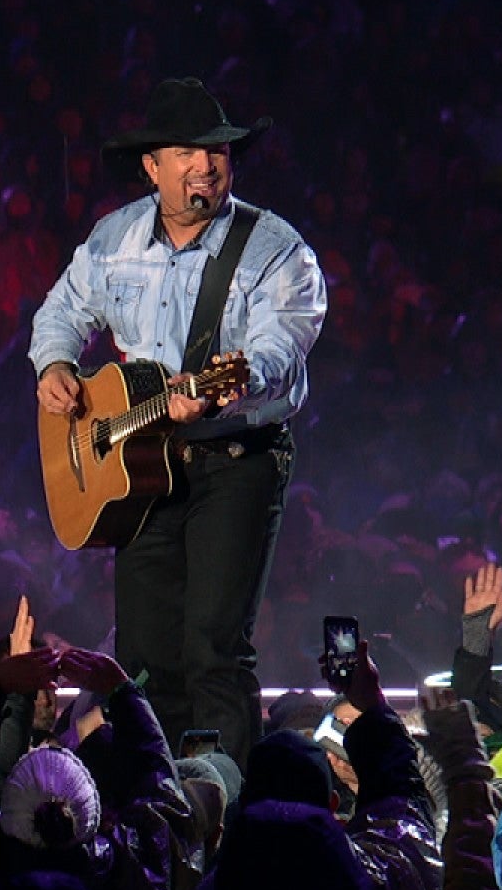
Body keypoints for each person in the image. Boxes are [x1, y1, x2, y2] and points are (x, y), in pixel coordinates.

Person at [31, 78, 326, 761]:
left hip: (235, 460)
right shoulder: (113, 240)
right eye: (187, 153)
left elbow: (281, 342)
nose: (206, 164)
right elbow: (60, 314)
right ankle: (157, 807)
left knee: (213, 651)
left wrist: (235, 381)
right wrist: (54, 366)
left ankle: (222, 812)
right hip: (141, 471)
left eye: (218, 151)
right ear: (151, 167)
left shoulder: (274, 248)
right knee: (142, 657)